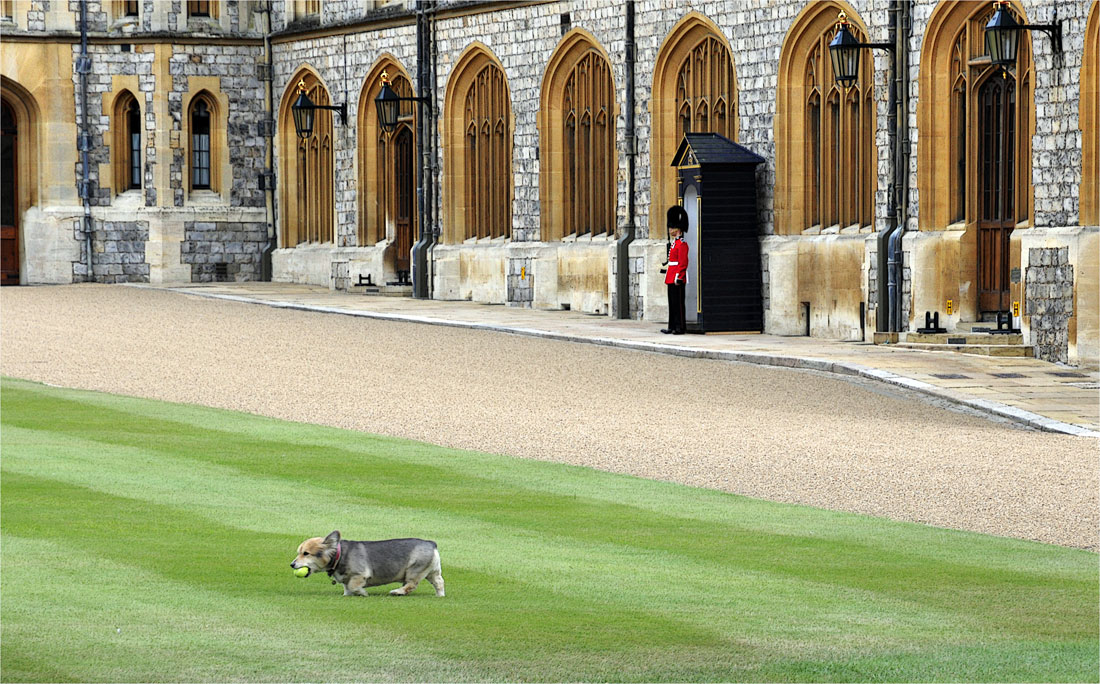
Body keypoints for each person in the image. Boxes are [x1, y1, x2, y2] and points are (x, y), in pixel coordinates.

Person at [661, 205, 688, 335]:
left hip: (677, 276)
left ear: (678, 229)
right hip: (671, 275)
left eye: (672, 227)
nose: (670, 229)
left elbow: (683, 263)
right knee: (672, 303)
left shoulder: (682, 244)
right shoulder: (674, 243)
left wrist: (679, 276)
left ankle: (680, 327)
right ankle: (672, 326)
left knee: (678, 303)